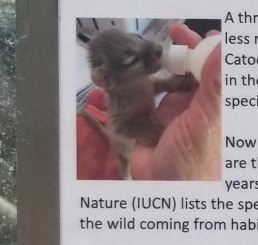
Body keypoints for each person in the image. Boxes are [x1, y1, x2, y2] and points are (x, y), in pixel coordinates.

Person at [76, 22, 223, 180]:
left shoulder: (135, 81)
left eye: (138, 38)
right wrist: (147, 130)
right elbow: (120, 127)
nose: (156, 47)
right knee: (124, 168)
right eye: (132, 60)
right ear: (105, 79)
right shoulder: (121, 95)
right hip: (131, 146)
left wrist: (170, 84)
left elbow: (150, 87)